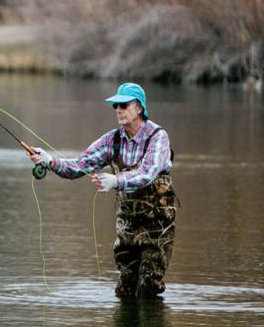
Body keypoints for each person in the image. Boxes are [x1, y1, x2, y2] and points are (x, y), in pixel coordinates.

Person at [29, 83, 177, 298]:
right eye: (115, 105)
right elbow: (80, 166)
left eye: (123, 104)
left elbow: (148, 173)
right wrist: (50, 160)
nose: (118, 109)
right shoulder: (112, 140)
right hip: (127, 223)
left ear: (139, 108)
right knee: (125, 290)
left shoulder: (157, 137)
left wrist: (115, 181)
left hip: (158, 224)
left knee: (148, 287)